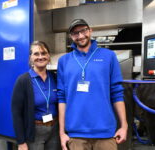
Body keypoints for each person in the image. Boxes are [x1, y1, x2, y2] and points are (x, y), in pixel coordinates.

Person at [57, 19, 128, 150]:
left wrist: (124, 126)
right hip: (76, 135)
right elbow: (62, 98)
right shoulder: (64, 61)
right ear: (71, 36)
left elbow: (117, 93)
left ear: (90, 31)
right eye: (75, 33)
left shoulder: (109, 56)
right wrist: (62, 133)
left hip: (105, 133)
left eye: (83, 30)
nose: (80, 36)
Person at [11, 41, 60, 150]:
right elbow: (16, 113)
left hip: (55, 129)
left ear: (48, 56)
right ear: (30, 57)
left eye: (43, 53)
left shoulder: (55, 77)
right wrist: (21, 142)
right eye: (36, 54)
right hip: (35, 131)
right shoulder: (23, 80)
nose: (40, 57)